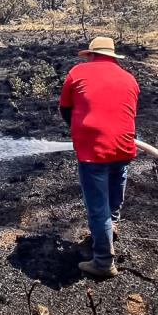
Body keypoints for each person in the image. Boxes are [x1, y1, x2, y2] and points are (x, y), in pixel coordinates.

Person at [58, 36, 139, 278]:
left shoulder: (77, 72)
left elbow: (65, 108)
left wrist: (78, 130)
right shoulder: (130, 79)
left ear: (92, 55)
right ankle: (110, 228)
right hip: (124, 145)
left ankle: (103, 262)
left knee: (97, 207)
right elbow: (127, 110)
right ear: (113, 57)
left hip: (93, 151)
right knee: (116, 184)